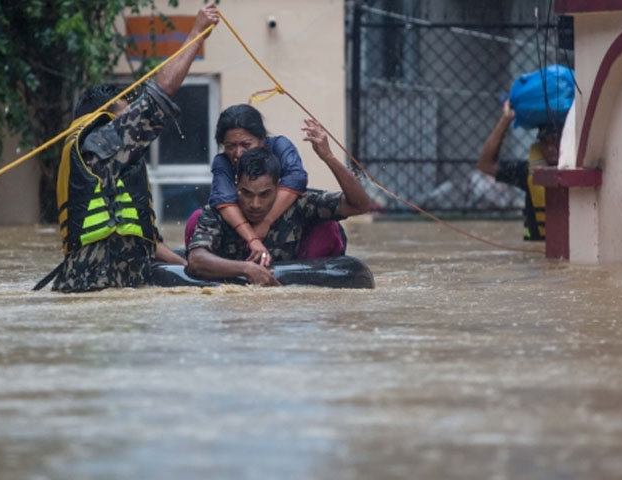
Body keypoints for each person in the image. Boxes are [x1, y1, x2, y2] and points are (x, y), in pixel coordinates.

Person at [36, 4, 219, 292]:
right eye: (127, 112)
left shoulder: (106, 158)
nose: (132, 117)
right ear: (106, 115)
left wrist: (190, 268)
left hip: (117, 286)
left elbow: (146, 242)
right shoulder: (98, 144)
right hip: (97, 289)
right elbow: (158, 99)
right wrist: (196, 33)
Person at [186, 119, 372, 286]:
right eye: (247, 194)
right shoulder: (219, 212)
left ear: (278, 186)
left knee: (328, 226)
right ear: (236, 187)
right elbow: (196, 260)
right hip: (236, 282)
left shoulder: (298, 202)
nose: (255, 204)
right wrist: (246, 269)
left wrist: (329, 157)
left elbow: (360, 205)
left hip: (298, 284)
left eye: (265, 194)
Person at [183, 104, 346, 267]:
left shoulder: (280, 146)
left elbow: (297, 179)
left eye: (246, 145)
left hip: (281, 220)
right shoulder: (223, 161)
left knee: (328, 224)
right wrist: (252, 238)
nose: (238, 153)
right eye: (230, 146)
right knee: (196, 219)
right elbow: (223, 199)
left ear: (262, 141)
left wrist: (266, 222)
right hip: (245, 228)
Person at [477, 99, 561, 241]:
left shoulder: (584, 172)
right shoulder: (527, 172)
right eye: (545, 142)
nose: (550, 148)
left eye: (555, 141)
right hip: (536, 252)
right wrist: (505, 121)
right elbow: (485, 164)